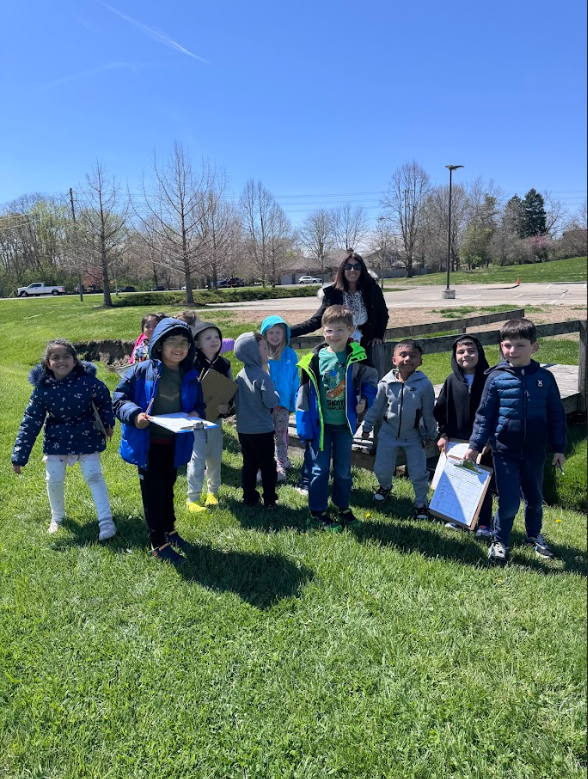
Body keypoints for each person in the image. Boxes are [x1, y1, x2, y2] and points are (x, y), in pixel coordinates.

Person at [465, 318, 567, 566]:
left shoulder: (545, 378)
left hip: (535, 451)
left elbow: (556, 413)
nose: (512, 351)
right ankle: (500, 541)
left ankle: (534, 536)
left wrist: (559, 447)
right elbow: (484, 414)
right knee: (509, 502)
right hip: (504, 451)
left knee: (534, 499)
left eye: (520, 345)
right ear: (502, 346)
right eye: (508, 345)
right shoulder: (496, 378)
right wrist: (475, 445)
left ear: (535, 347)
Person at [114, 318, 206, 563]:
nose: (179, 347)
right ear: (158, 345)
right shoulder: (141, 370)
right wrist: (135, 415)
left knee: (167, 489)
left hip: (174, 445)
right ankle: (158, 543)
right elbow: (119, 399)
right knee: (153, 495)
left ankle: (169, 530)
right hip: (148, 446)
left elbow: (199, 404)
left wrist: (197, 413)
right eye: (172, 342)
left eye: (184, 342)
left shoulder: (190, 374)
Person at [12, 339, 116, 540]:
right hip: (56, 440)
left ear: (75, 360)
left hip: (87, 436)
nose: (62, 361)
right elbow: (31, 421)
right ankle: (57, 518)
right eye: (55, 357)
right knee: (54, 480)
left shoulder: (88, 382)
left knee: (94, 477)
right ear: (47, 363)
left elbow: (104, 400)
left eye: (66, 356)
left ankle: (106, 521)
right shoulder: (42, 389)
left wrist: (107, 422)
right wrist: (19, 456)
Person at [297, 305, 378, 531]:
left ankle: (342, 506)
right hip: (320, 427)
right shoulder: (313, 359)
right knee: (319, 470)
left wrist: (366, 400)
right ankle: (317, 512)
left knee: (343, 471)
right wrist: (305, 428)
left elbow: (371, 381)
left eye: (340, 330)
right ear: (323, 331)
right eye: (329, 330)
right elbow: (302, 395)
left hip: (344, 426)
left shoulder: (358, 357)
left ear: (350, 330)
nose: (334, 335)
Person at [362, 339, 437, 520]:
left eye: (413, 356)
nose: (408, 359)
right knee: (382, 468)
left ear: (420, 361)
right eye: (403, 355)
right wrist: (367, 426)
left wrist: (431, 434)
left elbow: (428, 412)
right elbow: (376, 408)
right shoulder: (385, 383)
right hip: (388, 434)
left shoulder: (424, 385)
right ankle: (385, 487)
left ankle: (421, 503)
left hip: (414, 436)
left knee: (419, 473)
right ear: (394, 360)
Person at [434, 335, 493, 537]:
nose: (466, 355)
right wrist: (443, 433)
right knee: (459, 479)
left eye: (471, 351)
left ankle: (484, 523)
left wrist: (490, 438)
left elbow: (497, 411)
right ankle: (458, 518)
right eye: (460, 352)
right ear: (454, 355)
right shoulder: (451, 381)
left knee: (481, 482)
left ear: (480, 353)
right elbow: (440, 410)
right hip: (457, 441)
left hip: (484, 442)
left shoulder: (489, 379)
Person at [290, 250, 389, 348]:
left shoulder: (373, 290)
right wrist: (286, 332)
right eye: (348, 266)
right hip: (340, 346)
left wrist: (378, 336)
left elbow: (382, 315)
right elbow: (316, 321)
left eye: (357, 266)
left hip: (367, 345)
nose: (352, 270)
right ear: (343, 270)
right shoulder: (332, 294)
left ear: (362, 270)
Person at [186, 321, 234, 513]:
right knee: (197, 457)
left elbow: (230, 391)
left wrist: (227, 408)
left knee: (214, 456)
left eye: (217, 337)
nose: (214, 341)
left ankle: (212, 491)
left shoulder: (225, 364)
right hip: (196, 420)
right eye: (208, 338)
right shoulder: (191, 364)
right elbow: (185, 390)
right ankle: (193, 498)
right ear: (197, 344)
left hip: (215, 419)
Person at [234, 332, 280, 508]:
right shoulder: (263, 377)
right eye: (264, 347)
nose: (267, 350)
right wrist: (275, 394)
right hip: (262, 429)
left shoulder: (239, 375)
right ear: (252, 352)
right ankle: (269, 498)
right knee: (268, 465)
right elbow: (270, 402)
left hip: (244, 430)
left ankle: (249, 498)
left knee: (249, 465)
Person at [260, 315, 300, 482]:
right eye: (271, 333)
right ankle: (264, 464)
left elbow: (294, 380)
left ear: (285, 334)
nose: (275, 336)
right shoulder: (260, 354)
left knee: (281, 435)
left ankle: (281, 463)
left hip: (283, 405)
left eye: (278, 332)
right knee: (265, 436)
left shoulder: (290, 354)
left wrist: (293, 402)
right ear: (264, 334)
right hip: (263, 405)